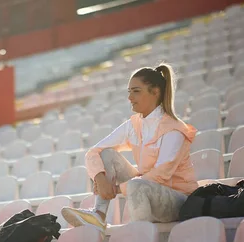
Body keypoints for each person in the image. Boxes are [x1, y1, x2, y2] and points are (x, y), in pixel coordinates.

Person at [61, 63, 197, 231]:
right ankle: (99, 214)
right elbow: (94, 152)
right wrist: (100, 178)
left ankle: (141, 238)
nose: (130, 97)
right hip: (145, 189)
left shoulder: (174, 129)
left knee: (135, 186)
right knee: (107, 154)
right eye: (129, 91)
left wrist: (116, 189)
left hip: (180, 201)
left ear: (155, 92)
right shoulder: (133, 125)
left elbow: (161, 176)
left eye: (136, 91)